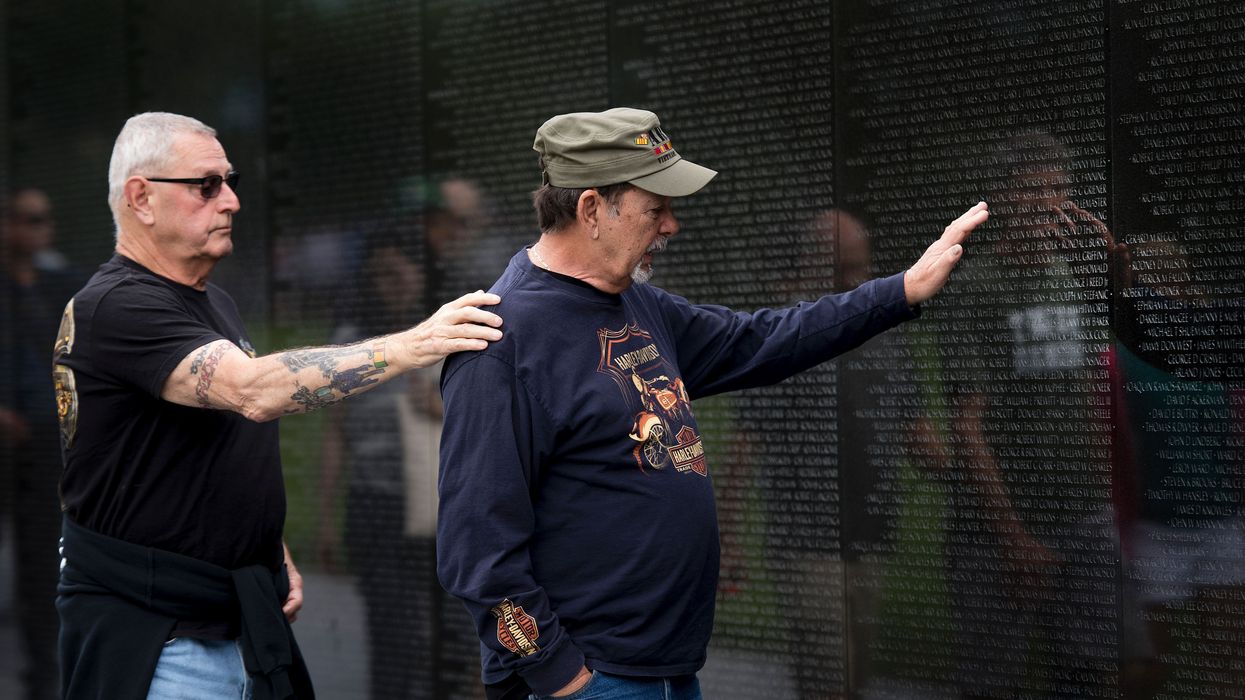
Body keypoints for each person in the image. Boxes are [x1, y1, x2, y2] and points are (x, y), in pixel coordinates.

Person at [436, 107, 989, 700]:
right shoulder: (500, 344)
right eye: (657, 208)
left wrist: (899, 292)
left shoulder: (637, 304)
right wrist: (562, 679)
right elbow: (478, 552)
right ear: (593, 209)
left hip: (667, 671)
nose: (673, 225)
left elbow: (762, 338)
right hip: (590, 679)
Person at [52, 112, 503, 700]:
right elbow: (253, 390)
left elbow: (197, 449)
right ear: (141, 198)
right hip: (163, 641)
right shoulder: (117, 304)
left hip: (233, 618)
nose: (231, 201)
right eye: (207, 185)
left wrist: (262, 544)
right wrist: (415, 345)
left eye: (230, 181)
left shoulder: (212, 302)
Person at [1, 187, 82, 700]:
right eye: (27, 219)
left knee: (40, 570)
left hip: (41, 453)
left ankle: (42, 682)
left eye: (44, 219)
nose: (38, 228)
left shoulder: (59, 286)